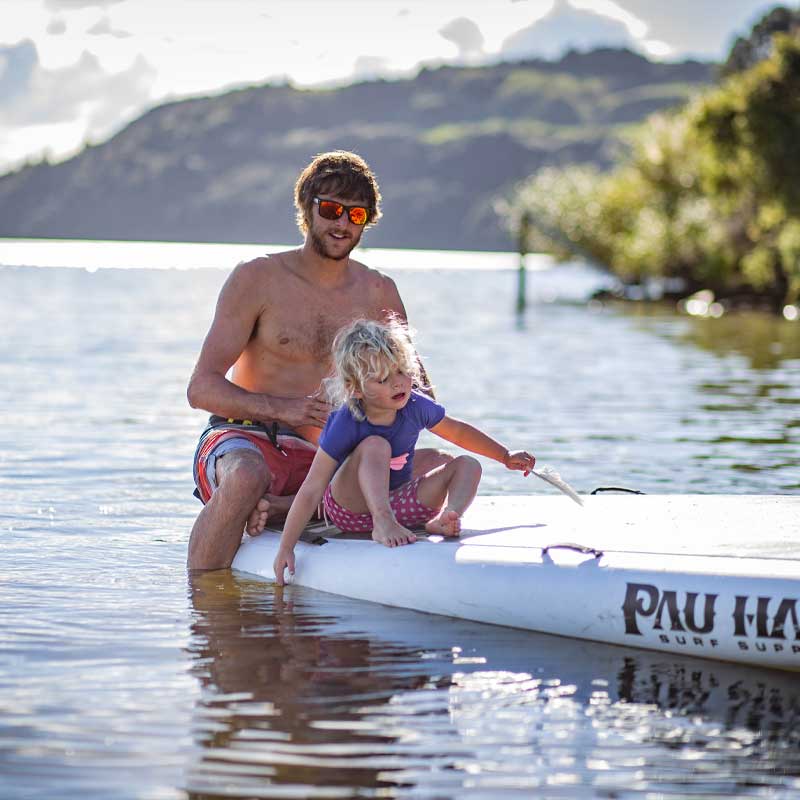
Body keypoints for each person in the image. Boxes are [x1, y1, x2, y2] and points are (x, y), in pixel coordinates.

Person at [187, 151, 447, 571]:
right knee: (245, 479)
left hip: (328, 453)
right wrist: (284, 408)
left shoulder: (379, 291)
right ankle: (208, 616)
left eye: (356, 215)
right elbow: (201, 389)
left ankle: (277, 509)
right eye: (330, 210)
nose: (342, 224)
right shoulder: (257, 278)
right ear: (306, 209)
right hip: (248, 439)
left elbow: (417, 393)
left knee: (438, 464)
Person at [272, 317, 536, 586]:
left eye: (401, 371)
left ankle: (448, 517)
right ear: (356, 388)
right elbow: (312, 487)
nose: (397, 383)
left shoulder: (415, 405)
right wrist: (286, 547)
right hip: (350, 508)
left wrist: (504, 456)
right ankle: (382, 521)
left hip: (401, 503)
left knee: (465, 463)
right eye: (383, 379)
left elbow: (457, 432)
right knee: (377, 445)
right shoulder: (347, 419)